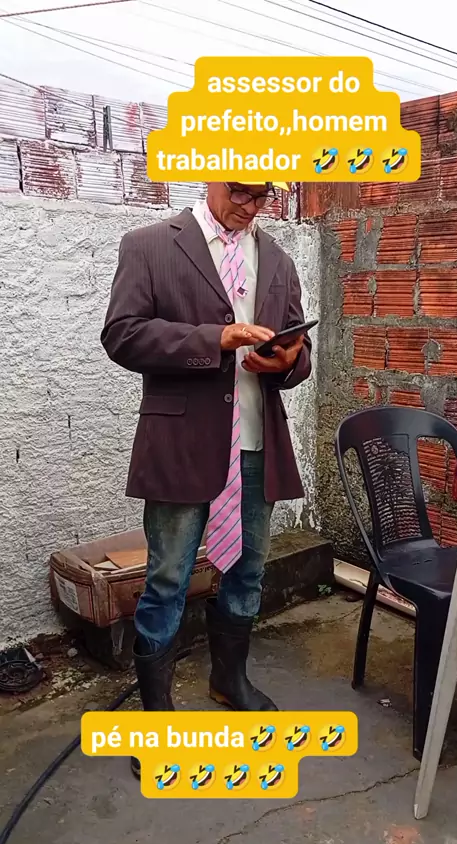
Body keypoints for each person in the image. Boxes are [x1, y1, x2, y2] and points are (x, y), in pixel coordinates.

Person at [101, 181, 312, 777]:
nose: (251, 206)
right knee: (168, 577)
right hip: (182, 444)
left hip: (256, 443)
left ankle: (229, 680)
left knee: (248, 569)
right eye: (241, 192)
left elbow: (300, 351)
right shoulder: (149, 245)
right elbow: (122, 334)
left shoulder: (277, 259)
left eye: (263, 196)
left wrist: (289, 360)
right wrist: (214, 339)